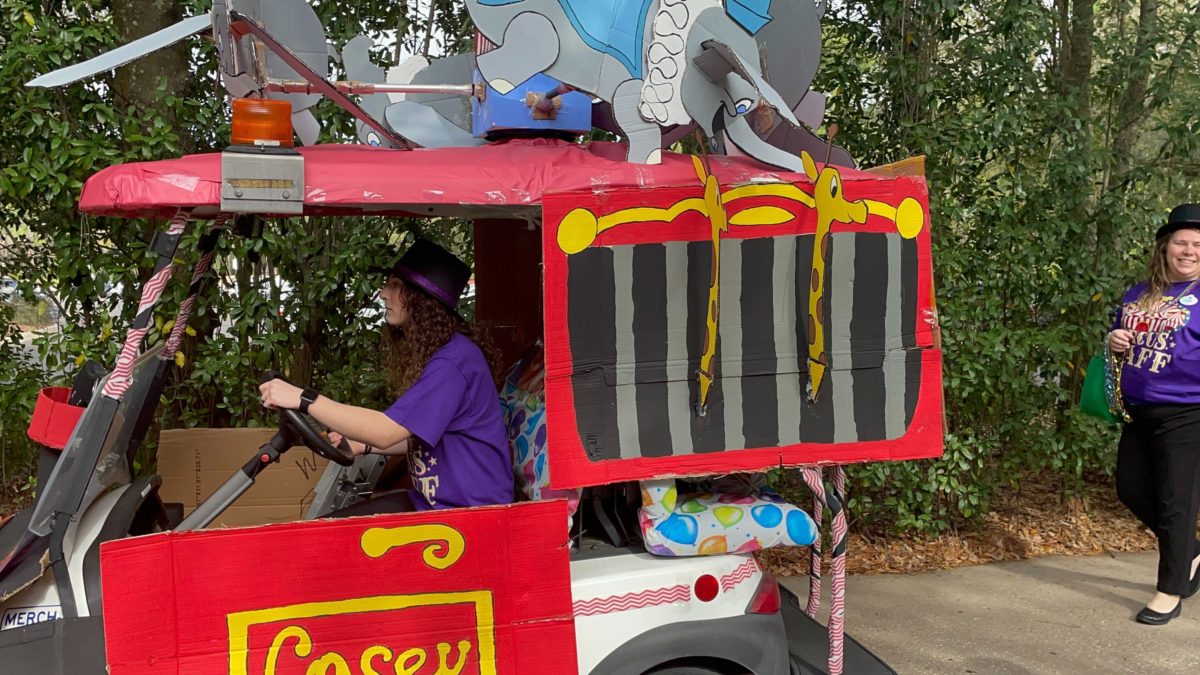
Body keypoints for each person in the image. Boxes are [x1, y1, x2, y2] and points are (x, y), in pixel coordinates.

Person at [259, 239, 514, 514]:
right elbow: (421, 432)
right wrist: (361, 445)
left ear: (420, 299)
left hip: (472, 516)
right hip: (432, 505)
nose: (383, 293)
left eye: (394, 285)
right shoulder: (446, 353)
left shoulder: (453, 363)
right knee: (330, 528)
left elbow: (385, 431)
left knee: (332, 534)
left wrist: (304, 398)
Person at [1108, 203, 1200, 625]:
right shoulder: (1138, 293)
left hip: (1188, 411)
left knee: (1175, 501)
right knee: (1130, 488)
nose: (1189, 251)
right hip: (1139, 410)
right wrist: (1115, 339)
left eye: (1197, 244)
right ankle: (1189, 552)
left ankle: (1170, 590)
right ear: (1165, 247)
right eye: (1181, 242)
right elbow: (1119, 337)